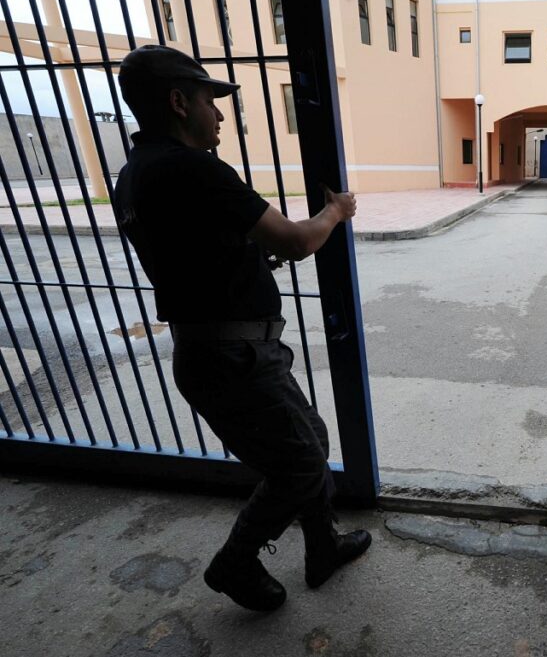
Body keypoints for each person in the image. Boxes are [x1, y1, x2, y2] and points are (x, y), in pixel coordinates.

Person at [113, 44, 370, 612]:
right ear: (179, 102)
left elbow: (196, 255)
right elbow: (297, 240)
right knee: (298, 466)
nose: (220, 115)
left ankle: (323, 545)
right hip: (235, 359)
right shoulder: (194, 168)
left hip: (216, 352)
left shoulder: (133, 176)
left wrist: (250, 261)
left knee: (308, 442)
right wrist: (337, 211)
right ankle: (235, 562)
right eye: (211, 101)